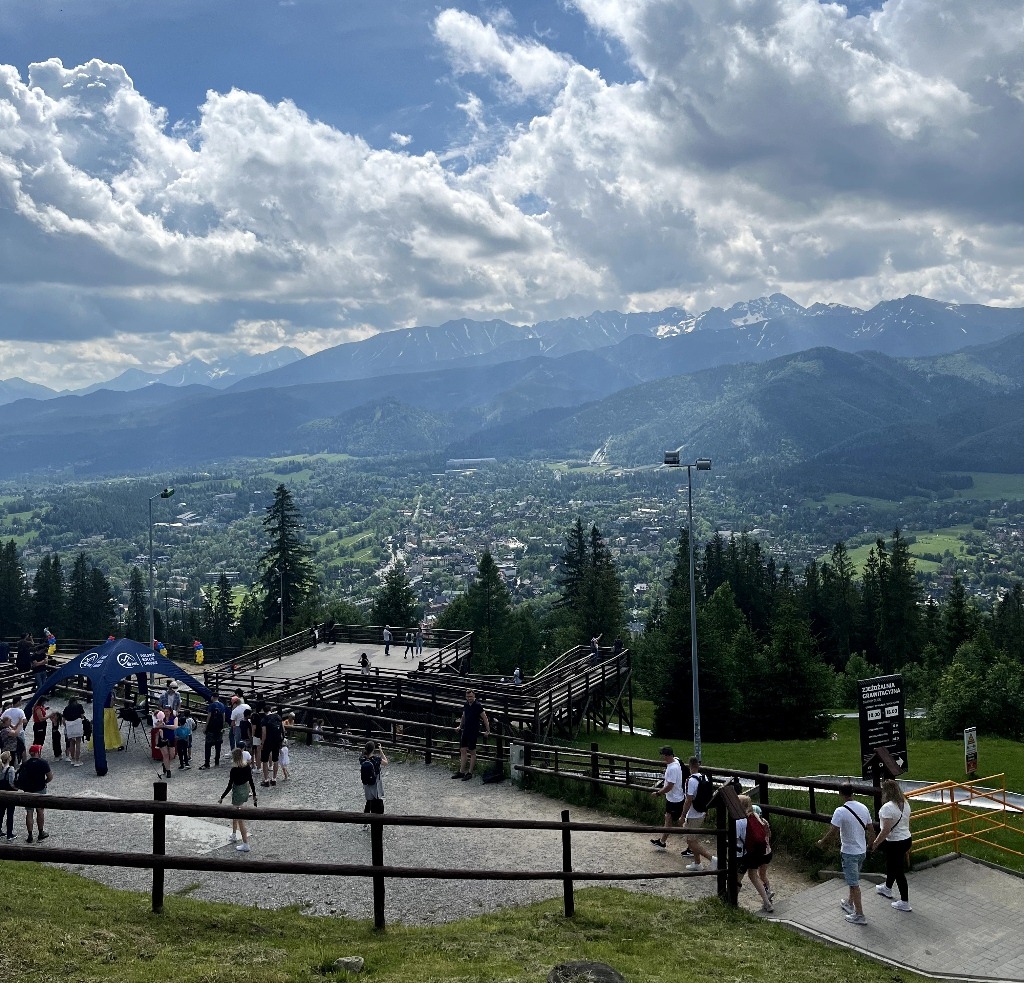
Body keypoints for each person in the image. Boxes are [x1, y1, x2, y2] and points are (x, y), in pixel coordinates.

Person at [817, 782, 874, 925]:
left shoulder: (840, 811)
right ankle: (849, 902)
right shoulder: (863, 807)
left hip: (849, 852)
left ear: (840, 793)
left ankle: (859, 914)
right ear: (853, 792)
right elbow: (871, 829)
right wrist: (870, 845)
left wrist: (822, 842)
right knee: (853, 878)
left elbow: (833, 831)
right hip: (861, 850)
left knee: (854, 883)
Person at [870, 778, 913, 912]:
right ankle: (887, 888)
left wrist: (875, 843)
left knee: (898, 871)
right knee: (892, 865)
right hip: (906, 839)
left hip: (895, 842)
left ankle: (904, 902)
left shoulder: (887, 808)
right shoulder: (905, 803)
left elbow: (886, 830)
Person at [736, 794, 774, 912]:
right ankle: (767, 902)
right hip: (756, 852)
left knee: (737, 878)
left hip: (744, 854)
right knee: (754, 876)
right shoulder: (756, 816)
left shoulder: (740, 821)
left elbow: (736, 838)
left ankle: (732, 901)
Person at [219, 747, 258, 852]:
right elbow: (251, 781)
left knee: (240, 818)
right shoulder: (247, 767)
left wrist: (222, 797)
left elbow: (229, 785)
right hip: (245, 790)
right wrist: (254, 794)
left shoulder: (234, 770)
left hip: (238, 792)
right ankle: (234, 834)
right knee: (236, 813)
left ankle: (245, 843)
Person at [681, 756, 716, 871]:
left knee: (690, 841)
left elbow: (689, 799)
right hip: (701, 812)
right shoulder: (704, 777)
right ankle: (697, 863)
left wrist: (682, 815)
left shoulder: (691, 780)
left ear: (690, 765)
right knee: (692, 839)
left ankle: (712, 859)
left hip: (693, 814)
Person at [649, 745, 685, 851]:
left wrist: (658, 793)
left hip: (675, 799)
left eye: (663, 755)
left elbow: (670, 786)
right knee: (668, 818)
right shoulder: (676, 761)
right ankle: (662, 842)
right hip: (672, 798)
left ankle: (692, 842)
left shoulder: (673, 768)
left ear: (667, 756)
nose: (662, 757)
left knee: (680, 822)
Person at [15, 744, 53, 843]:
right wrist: (45, 782)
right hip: (40, 789)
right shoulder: (43, 763)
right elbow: (50, 777)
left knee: (29, 812)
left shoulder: (25, 764)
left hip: (28, 790)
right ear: (37, 752)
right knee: (40, 811)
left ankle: (30, 835)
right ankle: (40, 832)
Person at [453, 689, 489, 781]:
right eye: (468, 696)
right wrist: (460, 726)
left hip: (473, 730)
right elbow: (464, 716)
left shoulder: (478, 706)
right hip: (466, 730)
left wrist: (487, 730)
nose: (469, 698)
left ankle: (470, 772)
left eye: (471, 696)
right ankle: (461, 771)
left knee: (472, 752)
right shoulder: (466, 704)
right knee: (463, 749)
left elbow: (485, 718)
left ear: (474, 696)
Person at [359, 740, 387, 815]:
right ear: (373, 749)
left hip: (366, 784)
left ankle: (365, 821)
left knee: (368, 802)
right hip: (375, 784)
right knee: (377, 802)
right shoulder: (376, 759)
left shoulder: (362, 759)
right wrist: (380, 749)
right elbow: (386, 762)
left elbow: (363, 754)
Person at [199, 693, 227, 769]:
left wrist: (205, 727)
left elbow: (209, 716)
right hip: (219, 728)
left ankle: (207, 763)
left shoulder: (211, 705)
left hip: (211, 728)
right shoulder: (222, 705)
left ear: (212, 697)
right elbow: (224, 716)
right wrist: (223, 726)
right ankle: (217, 761)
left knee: (208, 745)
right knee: (218, 745)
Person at [260, 705, 285, 787]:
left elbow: (264, 733)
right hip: (277, 741)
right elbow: (283, 729)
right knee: (275, 759)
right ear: (271, 710)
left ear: (264, 711)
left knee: (265, 760)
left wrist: (262, 743)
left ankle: (266, 780)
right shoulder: (278, 717)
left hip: (268, 741)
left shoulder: (264, 719)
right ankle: (274, 779)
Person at [62, 695, 86, 768]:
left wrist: (66, 726)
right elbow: (82, 716)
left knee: (71, 743)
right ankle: (77, 760)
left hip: (69, 725)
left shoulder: (66, 708)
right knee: (78, 742)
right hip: (77, 723)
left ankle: (72, 759)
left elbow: (63, 720)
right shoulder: (79, 706)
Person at [0, 749, 17, 841]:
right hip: (9, 794)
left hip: (1, 793)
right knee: (10, 814)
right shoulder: (11, 769)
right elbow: (11, 783)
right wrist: (16, 789)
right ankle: (9, 834)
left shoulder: (0, 769)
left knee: (1, 813)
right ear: (9, 758)